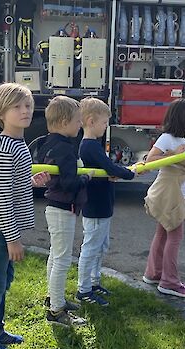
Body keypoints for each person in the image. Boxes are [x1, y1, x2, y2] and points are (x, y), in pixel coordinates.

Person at [0, 83, 51, 349]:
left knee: (2, 282)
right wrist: (12, 238)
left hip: (2, 229)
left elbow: (9, 184)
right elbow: (2, 198)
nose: (25, 111)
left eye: (28, 105)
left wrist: (31, 181)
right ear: (0, 113)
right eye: (17, 106)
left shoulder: (16, 144)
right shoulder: (6, 148)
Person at [76, 97, 137, 306]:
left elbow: (108, 169)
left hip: (103, 205)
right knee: (91, 248)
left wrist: (114, 172)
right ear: (91, 121)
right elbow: (110, 168)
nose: (105, 127)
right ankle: (83, 290)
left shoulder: (94, 145)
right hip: (95, 206)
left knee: (101, 247)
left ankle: (93, 282)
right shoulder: (89, 146)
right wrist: (130, 172)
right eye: (104, 123)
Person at [142, 98, 185, 298]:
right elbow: (151, 160)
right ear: (184, 118)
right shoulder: (167, 138)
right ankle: (169, 282)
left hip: (175, 195)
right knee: (175, 236)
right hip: (168, 196)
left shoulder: (179, 139)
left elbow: (178, 164)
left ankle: (154, 273)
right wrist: (175, 154)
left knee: (163, 234)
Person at [40, 96, 92, 327]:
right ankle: (56, 310)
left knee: (55, 254)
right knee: (62, 259)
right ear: (63, 122)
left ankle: (54, 298)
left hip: (55, 206)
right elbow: (70, 183)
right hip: (63, 208)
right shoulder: (66, 149)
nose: (80, 125)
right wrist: (86, 177)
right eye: (77, 121)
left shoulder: (46, 143)